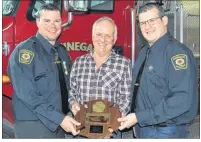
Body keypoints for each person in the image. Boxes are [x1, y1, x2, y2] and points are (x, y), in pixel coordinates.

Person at [118, 3, 198, 138]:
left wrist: (139, 117)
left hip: (166, 131)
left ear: (164, 21)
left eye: (152, 21)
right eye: (142, 23)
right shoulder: (144, 52)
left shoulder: (177, 54)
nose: (147, 27)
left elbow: (182, 100)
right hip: (144, 128)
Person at [8, 3, 81, 138]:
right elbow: (28, 95)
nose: (52, 26)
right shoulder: (25, 52)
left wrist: (73, 104)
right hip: (34, 125)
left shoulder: (62, 52)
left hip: (59, 123)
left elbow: (67, 85)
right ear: (38, 22)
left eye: (57, 21)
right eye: (47, 20)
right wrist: (59, 118)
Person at [68, 17, 132, 138]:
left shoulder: (124, 64)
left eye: (108, 36)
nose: (103, 40)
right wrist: (73, 105)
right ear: (92, 37)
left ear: (114, 40)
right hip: (82, 131)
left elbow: (126, 99)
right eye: (99, 34)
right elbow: (72, 92)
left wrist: (112, 126)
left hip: (110, 132)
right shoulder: (78, 62)